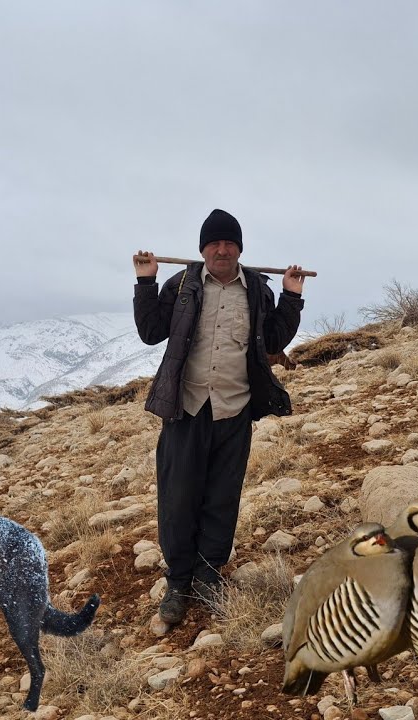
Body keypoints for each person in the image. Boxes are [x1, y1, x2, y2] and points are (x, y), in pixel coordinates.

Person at [132, 208, 305, 625]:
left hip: (235, 408)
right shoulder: (184, 284)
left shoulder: (257, 290)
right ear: (203, 249)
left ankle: (209, 574)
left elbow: (276, 338)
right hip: (186, 408)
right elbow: (151, 330)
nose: (222, 249)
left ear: (239, 249)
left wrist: (292, 295)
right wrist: (146, 281)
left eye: (229, 243)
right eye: (214, 243)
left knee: (222, 497)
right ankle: (178, 582)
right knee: (178, 497)